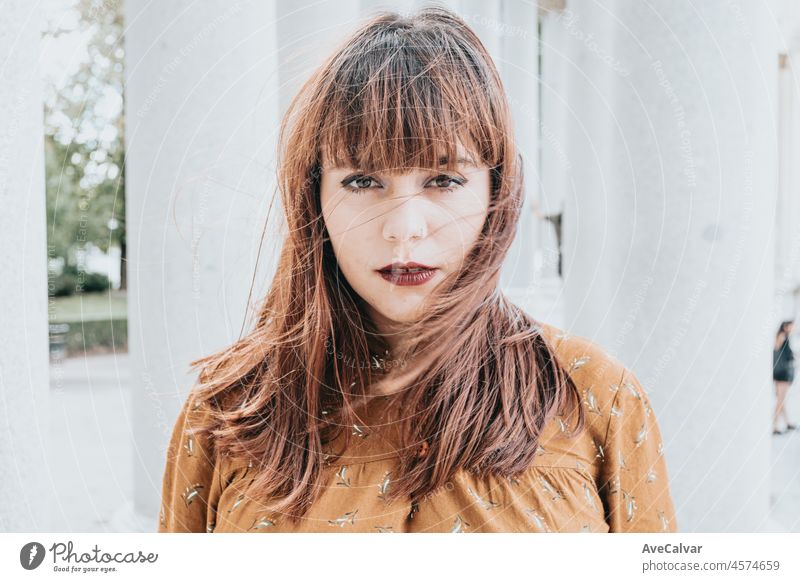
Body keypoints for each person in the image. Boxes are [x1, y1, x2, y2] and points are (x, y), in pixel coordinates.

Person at [157, 7, 677, 533]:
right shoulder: (229, 410)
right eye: (362, 181)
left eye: (444, 179)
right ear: (313, 197)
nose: (404, 227)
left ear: (497, 191)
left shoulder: (595, 396)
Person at [772, 320, 797, 435]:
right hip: (782, 373)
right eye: (791, 327)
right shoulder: (782, 336)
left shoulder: (785, 337)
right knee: (781, 401)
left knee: (782, 401)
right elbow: (776, 350)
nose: (793, 329)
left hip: (780, 372)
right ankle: (774, 426)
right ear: (786, 326)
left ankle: (787, 423)